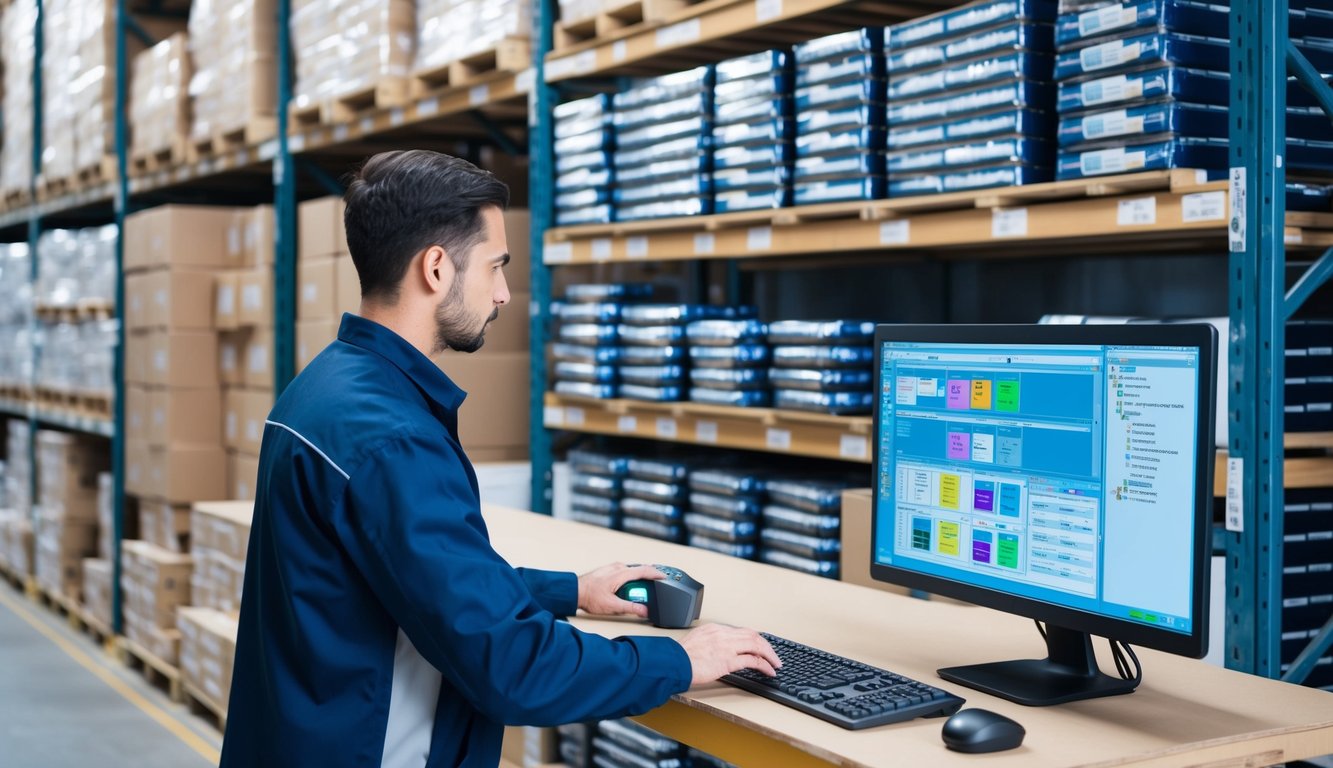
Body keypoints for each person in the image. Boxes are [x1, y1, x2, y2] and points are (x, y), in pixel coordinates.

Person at [219, 150, 781, 768]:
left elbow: (412, 582)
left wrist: (574, 591)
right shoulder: (394, 439)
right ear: (436, 268)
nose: (505, 294)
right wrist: (682, 660)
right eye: (495, 267)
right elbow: (512, 668)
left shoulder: (324, 390)